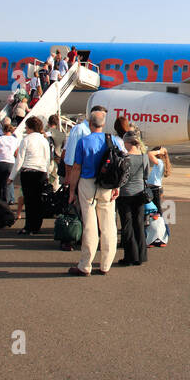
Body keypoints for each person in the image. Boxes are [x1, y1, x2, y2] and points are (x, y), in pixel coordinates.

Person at [66, 109, 119, 276]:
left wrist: (71, 190)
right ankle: (106, 264)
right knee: (108, 224)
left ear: (90, 124)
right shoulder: (113, 141)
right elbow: (119, 166)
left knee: (90, 225)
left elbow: (76, 167)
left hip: (88, 182)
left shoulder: (84, 142)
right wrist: (117, 186)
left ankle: (85, 264)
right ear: (103, 125)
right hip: (108, 185)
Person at [12, 116, 53, 234]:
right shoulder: (44, 140)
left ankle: (29, 226)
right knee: (38, 200)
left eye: (26, 126)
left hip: (28, 172)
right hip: (41, 172)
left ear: (30, 128)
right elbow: (47, 158)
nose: (25, 128)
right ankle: (37, 225)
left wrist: (11, 176)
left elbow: (20, 160)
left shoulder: (26, 140)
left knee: (29, 201)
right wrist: (47, 174)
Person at [115, 132, 151, 267]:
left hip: (125, 194)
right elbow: (146, 175)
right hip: (140, 193)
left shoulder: (125, 157)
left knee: (127, 226)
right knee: (139, 225)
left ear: (128, 143)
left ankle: (130, 256)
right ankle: (141, 256)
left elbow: (121, 176)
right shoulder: (144, 157)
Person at [146, 144, 171, 213]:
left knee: (157, 209)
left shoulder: (160, 162)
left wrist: (159, 151)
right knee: (156, 209)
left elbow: (150, 154)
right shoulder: (160, 163)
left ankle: (161, 222)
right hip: (155, 188)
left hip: (155, 189)